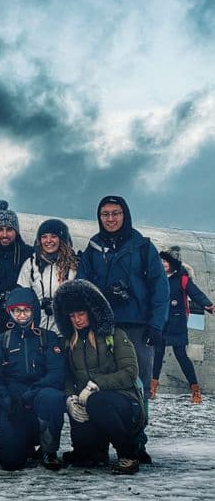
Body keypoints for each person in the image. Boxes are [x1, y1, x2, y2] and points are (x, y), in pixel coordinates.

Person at [77, 195, 168, 462]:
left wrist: (156, 324)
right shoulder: (93, 248)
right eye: (105, 214)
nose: (110, 219)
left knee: (136, 384)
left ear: (124, 215)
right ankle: (102, 442)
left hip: (137, 327)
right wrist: (101, 296)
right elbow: (83, 284)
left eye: (115, 213)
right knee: (102, 382)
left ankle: (137, 441)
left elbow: (159, 288)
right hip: (103, 326)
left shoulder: (142, 247)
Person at [53, 278, 146, 475]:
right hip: (89, 403)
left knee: (97, 401)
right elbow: (68, 376)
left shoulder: (115, 335)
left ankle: (128, 454)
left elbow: (130, 373)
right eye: (72, 315)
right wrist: (70, 397)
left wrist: (96, 385)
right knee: (84, 458)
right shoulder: (69, 343)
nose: (77, 320)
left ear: (92, 313)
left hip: (123, 403)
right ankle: (95, 451)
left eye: (81, 314)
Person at [0, 288, 67, 471]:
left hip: (39, 396)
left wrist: (30, 394)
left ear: (34, 311)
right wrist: (6, 401)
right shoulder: (2, 340)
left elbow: (56, 374)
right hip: (13, 402)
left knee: (53, 397)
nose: (21, 315)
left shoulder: (48, 338)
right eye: (17, 310)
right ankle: (15, 446)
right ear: (10, 312)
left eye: (26, 310)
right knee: (10, 462)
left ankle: (49, 451)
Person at [152, 247, 214, 404]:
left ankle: (195, 390)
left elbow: (195, 293)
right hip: (160, 322)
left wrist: (208, 305)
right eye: (161, 261)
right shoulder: (157, 277)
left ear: (172, 263)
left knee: (181, 355)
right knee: (157, 354)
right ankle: (152, 389)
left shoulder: (182, 278)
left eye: (166, 261)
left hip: (177, 323)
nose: (163, 263)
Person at [0, 200, 33, 339]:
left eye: (9, 229)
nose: (4, 235)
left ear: (16, 231)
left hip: (19, 315)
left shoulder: (28, 253)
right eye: (0, 230)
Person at [17, 219, 78, 335]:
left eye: (53, 236)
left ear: (62, 239)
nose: (48, 241)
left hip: (64, 332)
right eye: (44, 237)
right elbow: (22, 297)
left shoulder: (74, 266)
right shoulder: (31, 264)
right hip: (36, 331)